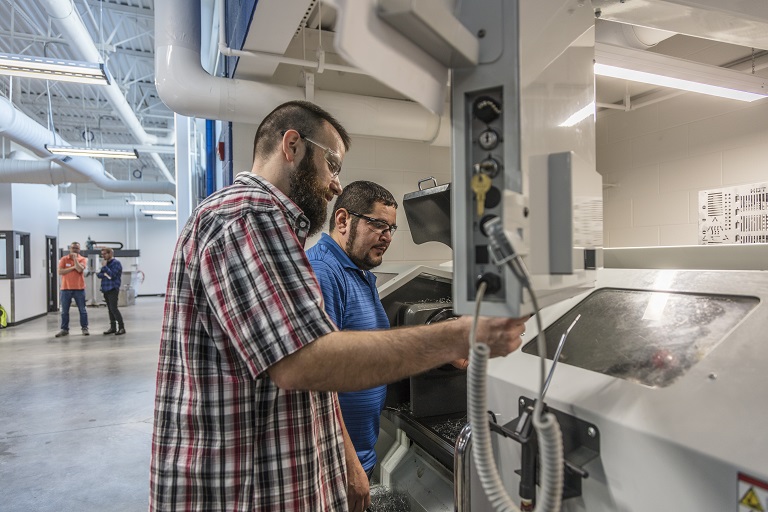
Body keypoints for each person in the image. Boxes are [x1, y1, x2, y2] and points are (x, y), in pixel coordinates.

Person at [149, 100, 527, 512]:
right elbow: (307, 363)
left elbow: (307, 366)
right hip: (239, 487)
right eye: (332, 164)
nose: (334, 183)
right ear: (291, 145)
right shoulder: (248, 218)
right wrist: (460, 335)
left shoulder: (259, 226)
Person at [306, 181, 398, 489]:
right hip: (333, 467)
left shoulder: (359, 273)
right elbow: (317, 385)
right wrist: (348, 464)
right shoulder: (324, 272)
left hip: (358, 455)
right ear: (343, 220)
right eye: (379, 225)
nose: (386, 237)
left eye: (391, 229)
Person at [55, 241, 89, 337]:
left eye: (77, 248)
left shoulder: (82, 259)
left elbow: (79, 269)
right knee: (64, 311)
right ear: (70, 248)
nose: (75, 249)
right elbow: (60, 272)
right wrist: (73, 267)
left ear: (79, 249)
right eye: (73, 248)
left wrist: (75, 260)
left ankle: (84, 328)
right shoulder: (63, 259)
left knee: (82, 310)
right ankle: (64, 329)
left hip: (79, 289)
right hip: (65, 289)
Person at [96, 247, 125, 335]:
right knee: (110, 309)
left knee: (114, 308)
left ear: (110, 254)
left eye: (104, 254)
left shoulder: (116, 263)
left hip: (113, 288)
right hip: (105, 288)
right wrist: (105, 272)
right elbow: (99, 275)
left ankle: (121, 327)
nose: (103, 256)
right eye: (102, 254)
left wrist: (105, 268)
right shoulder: (106, 263)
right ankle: (113, 327)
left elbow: (112, 275)